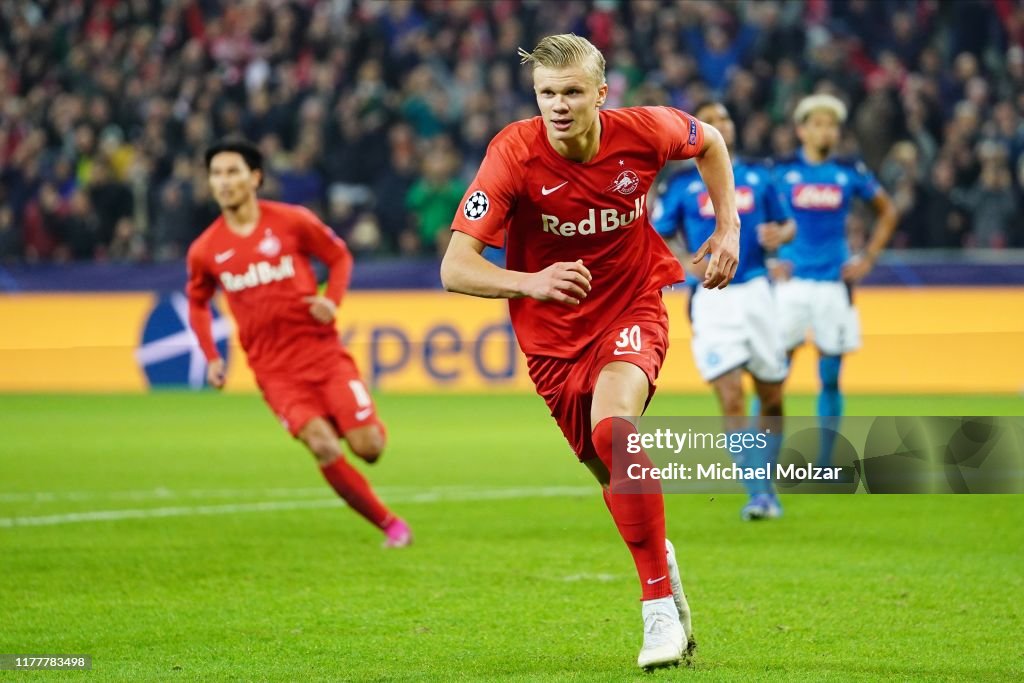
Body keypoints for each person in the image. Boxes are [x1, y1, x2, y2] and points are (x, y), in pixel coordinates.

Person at [440, 34, 740, 670]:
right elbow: (455, 267)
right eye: (547, 93)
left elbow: (709, 141)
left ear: (601, 94)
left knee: (616, 431)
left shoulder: (648, 130)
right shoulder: (513, 154)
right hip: (552, 338)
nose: (558, 105)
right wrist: (530, 282)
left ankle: (656, 608)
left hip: (633, 305)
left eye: (572, 92)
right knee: (611, 474)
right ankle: (663, 567)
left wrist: (727, 226)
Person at [186, 139, 411, 548]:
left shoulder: (291, 221)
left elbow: (339, 256)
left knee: (370, 447)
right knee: (323, 445)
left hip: (323, 356)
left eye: (232, 171)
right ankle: (391, 526)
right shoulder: (205, 250)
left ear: (255, 178)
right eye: (216, 174)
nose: (223, 181)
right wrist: (211, 356)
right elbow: (198, 303)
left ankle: (350, 420)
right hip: (275, 373)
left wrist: (331, 299)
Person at [653, 101, 795, 521]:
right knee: (732, 397)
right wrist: (679, 264)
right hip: (711, 297)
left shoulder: (757, 176)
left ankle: (762, 480)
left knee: (771, 395)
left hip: (757, 292)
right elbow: (655, 236)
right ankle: (758, 493)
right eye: (709, 121)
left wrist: (779, 234)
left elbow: (787, 225)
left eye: (725, 118)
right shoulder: (679, 185)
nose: (720, 125)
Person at [773, 94, 898, 467]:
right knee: (772, 374)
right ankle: (763, 457)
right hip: (790, 285)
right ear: (802, 130)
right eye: (818, 124)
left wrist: (868, 258)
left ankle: (825, 462)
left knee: (829, 375)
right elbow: (749, 209)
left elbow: (888, 210)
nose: (826, 130)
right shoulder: (780, 172)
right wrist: (769, 259)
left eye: (831, 124)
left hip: (833, 284)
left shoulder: (849, 171)